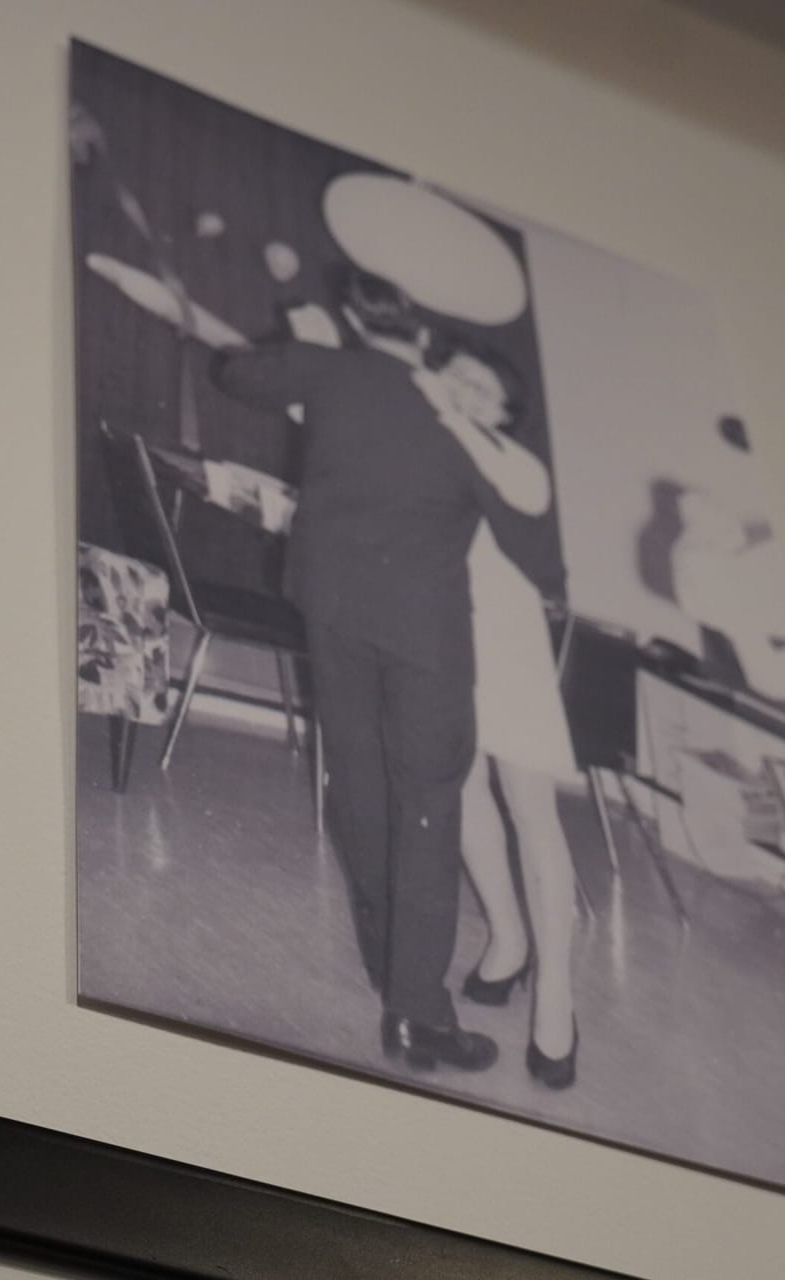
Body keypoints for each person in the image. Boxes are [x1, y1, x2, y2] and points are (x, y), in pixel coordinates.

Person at [208, 269, 509, 1073]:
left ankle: (389, 967)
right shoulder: (458, 411)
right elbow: (527, 537)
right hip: (427, 636)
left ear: (353, 319)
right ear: (427, 337)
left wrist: (307, 345)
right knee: (427, 808)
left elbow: (235, 373)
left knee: (364, 790)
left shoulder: (335, 366)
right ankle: (416, 1012)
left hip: (332, 608)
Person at [415, 346, 584, 1088]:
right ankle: (509, 939)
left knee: (529, 807)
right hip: (437, 629)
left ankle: (557, 996)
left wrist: (444, 407)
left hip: (508, 636)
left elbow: (520, 494)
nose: (462, 389)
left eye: (482, 385)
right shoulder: (422, 437)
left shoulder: (516, 460)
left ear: (506, 412)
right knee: (459, 790)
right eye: (454, 375)